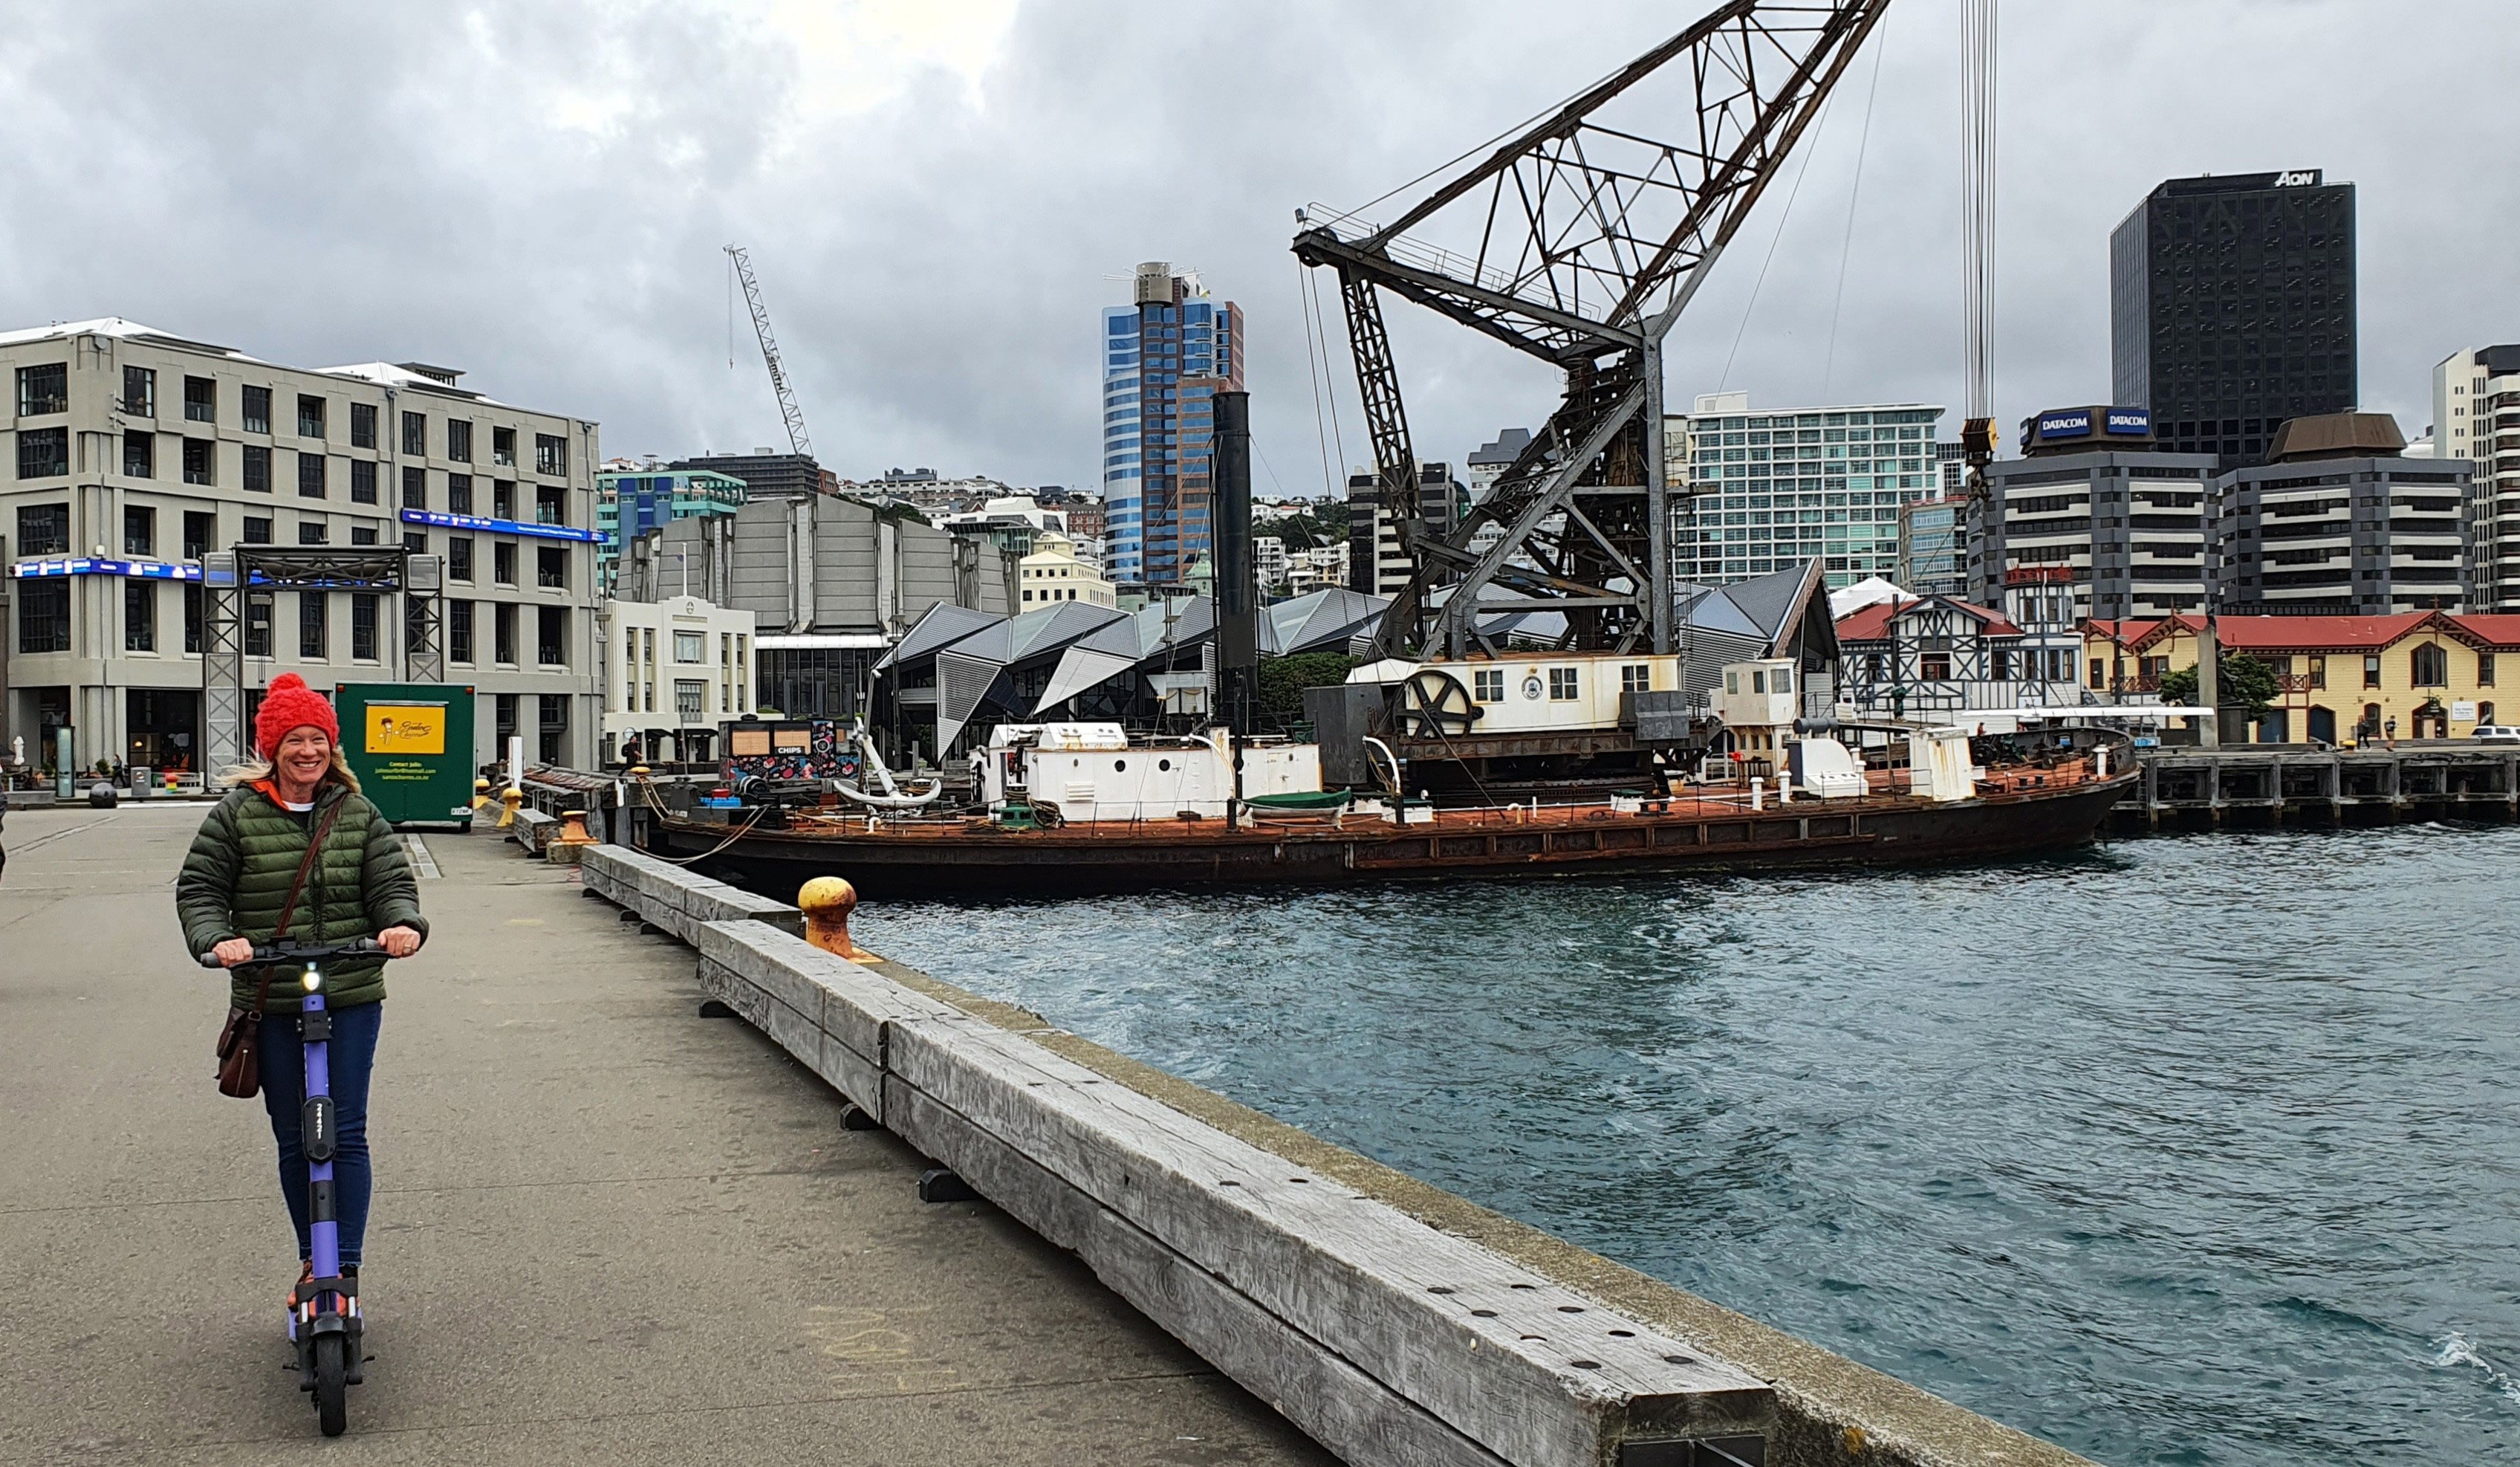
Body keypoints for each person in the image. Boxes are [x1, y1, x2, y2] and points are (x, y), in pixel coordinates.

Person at [176, 673, 427, 1301]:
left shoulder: (358, 813)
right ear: (273, 748)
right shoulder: (236, 815)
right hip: (271, 990)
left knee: (344, 1132)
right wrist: (216, 940)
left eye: (318, 739)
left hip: (349, 985)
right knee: (296, 1135)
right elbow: (200, 890)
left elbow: (391, 884)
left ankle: (342, 1267)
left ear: (332, 747)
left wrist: (400, 925)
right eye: (294, 740)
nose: (308, 751)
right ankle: (311, 1263)